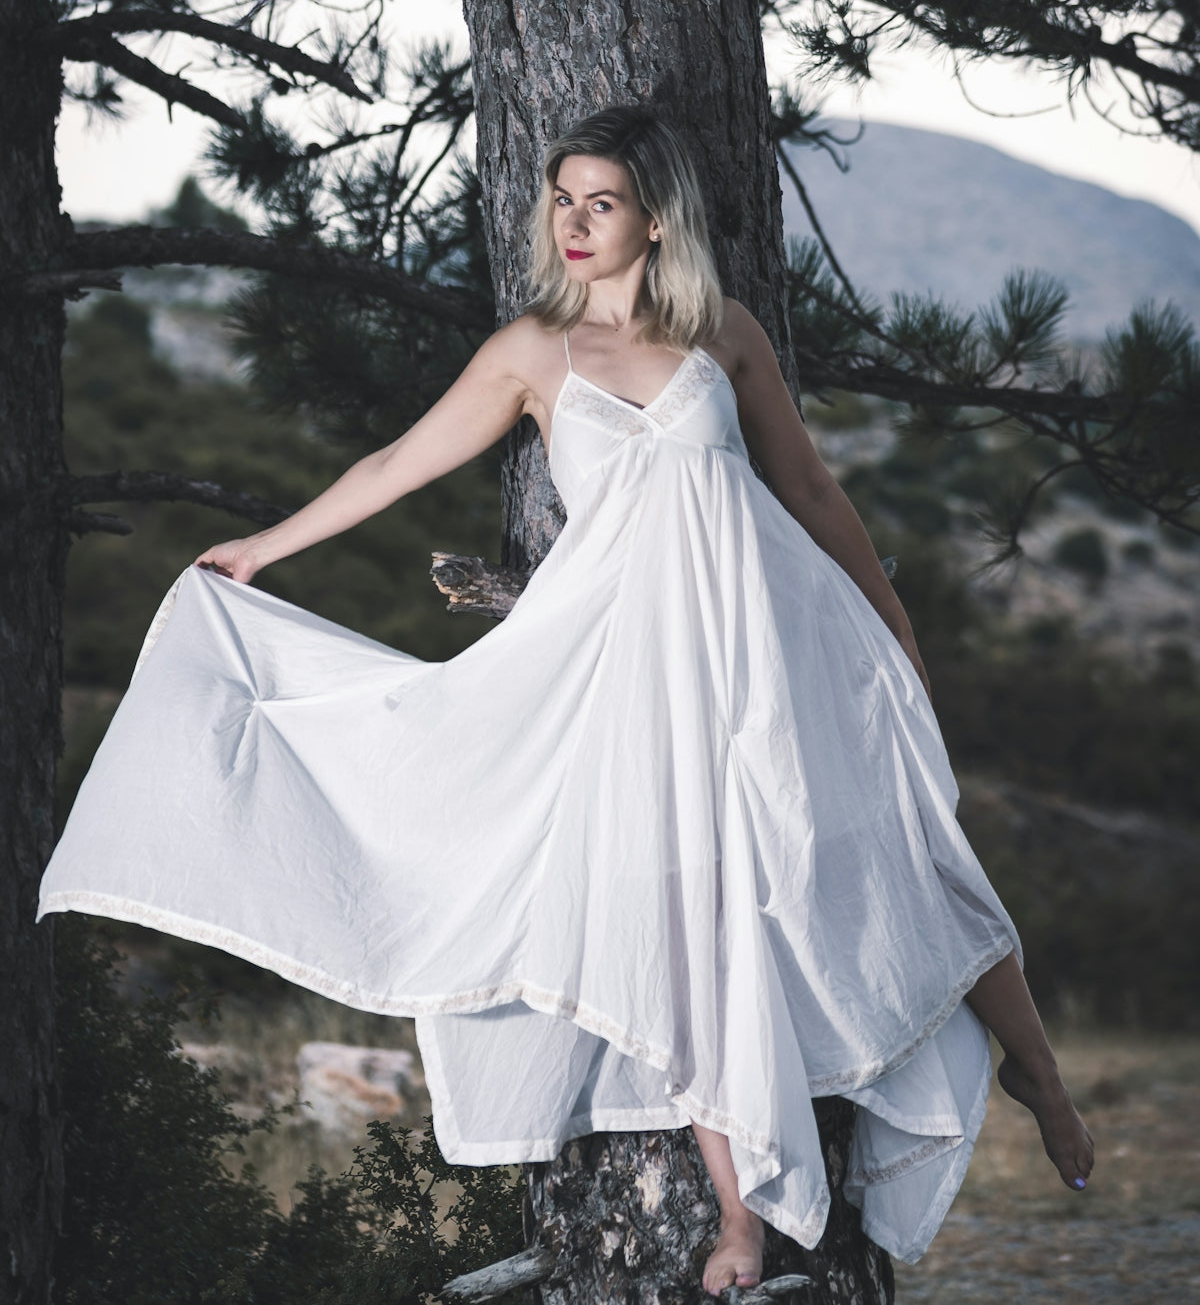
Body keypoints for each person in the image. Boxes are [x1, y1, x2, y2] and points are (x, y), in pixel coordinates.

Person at [39, 105, 1092, 1297]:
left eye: (602, 201)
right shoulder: (531, 351)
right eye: (562, 199)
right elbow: (398, 463)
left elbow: (808, 487)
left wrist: (891, 627)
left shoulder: (722, 334)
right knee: (686, 934)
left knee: (907, 846)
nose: (575, 222)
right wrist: (268, 545)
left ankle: (1041, 1072)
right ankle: (742, 1217)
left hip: (773, 653)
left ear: (655, 217)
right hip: (625, 683)